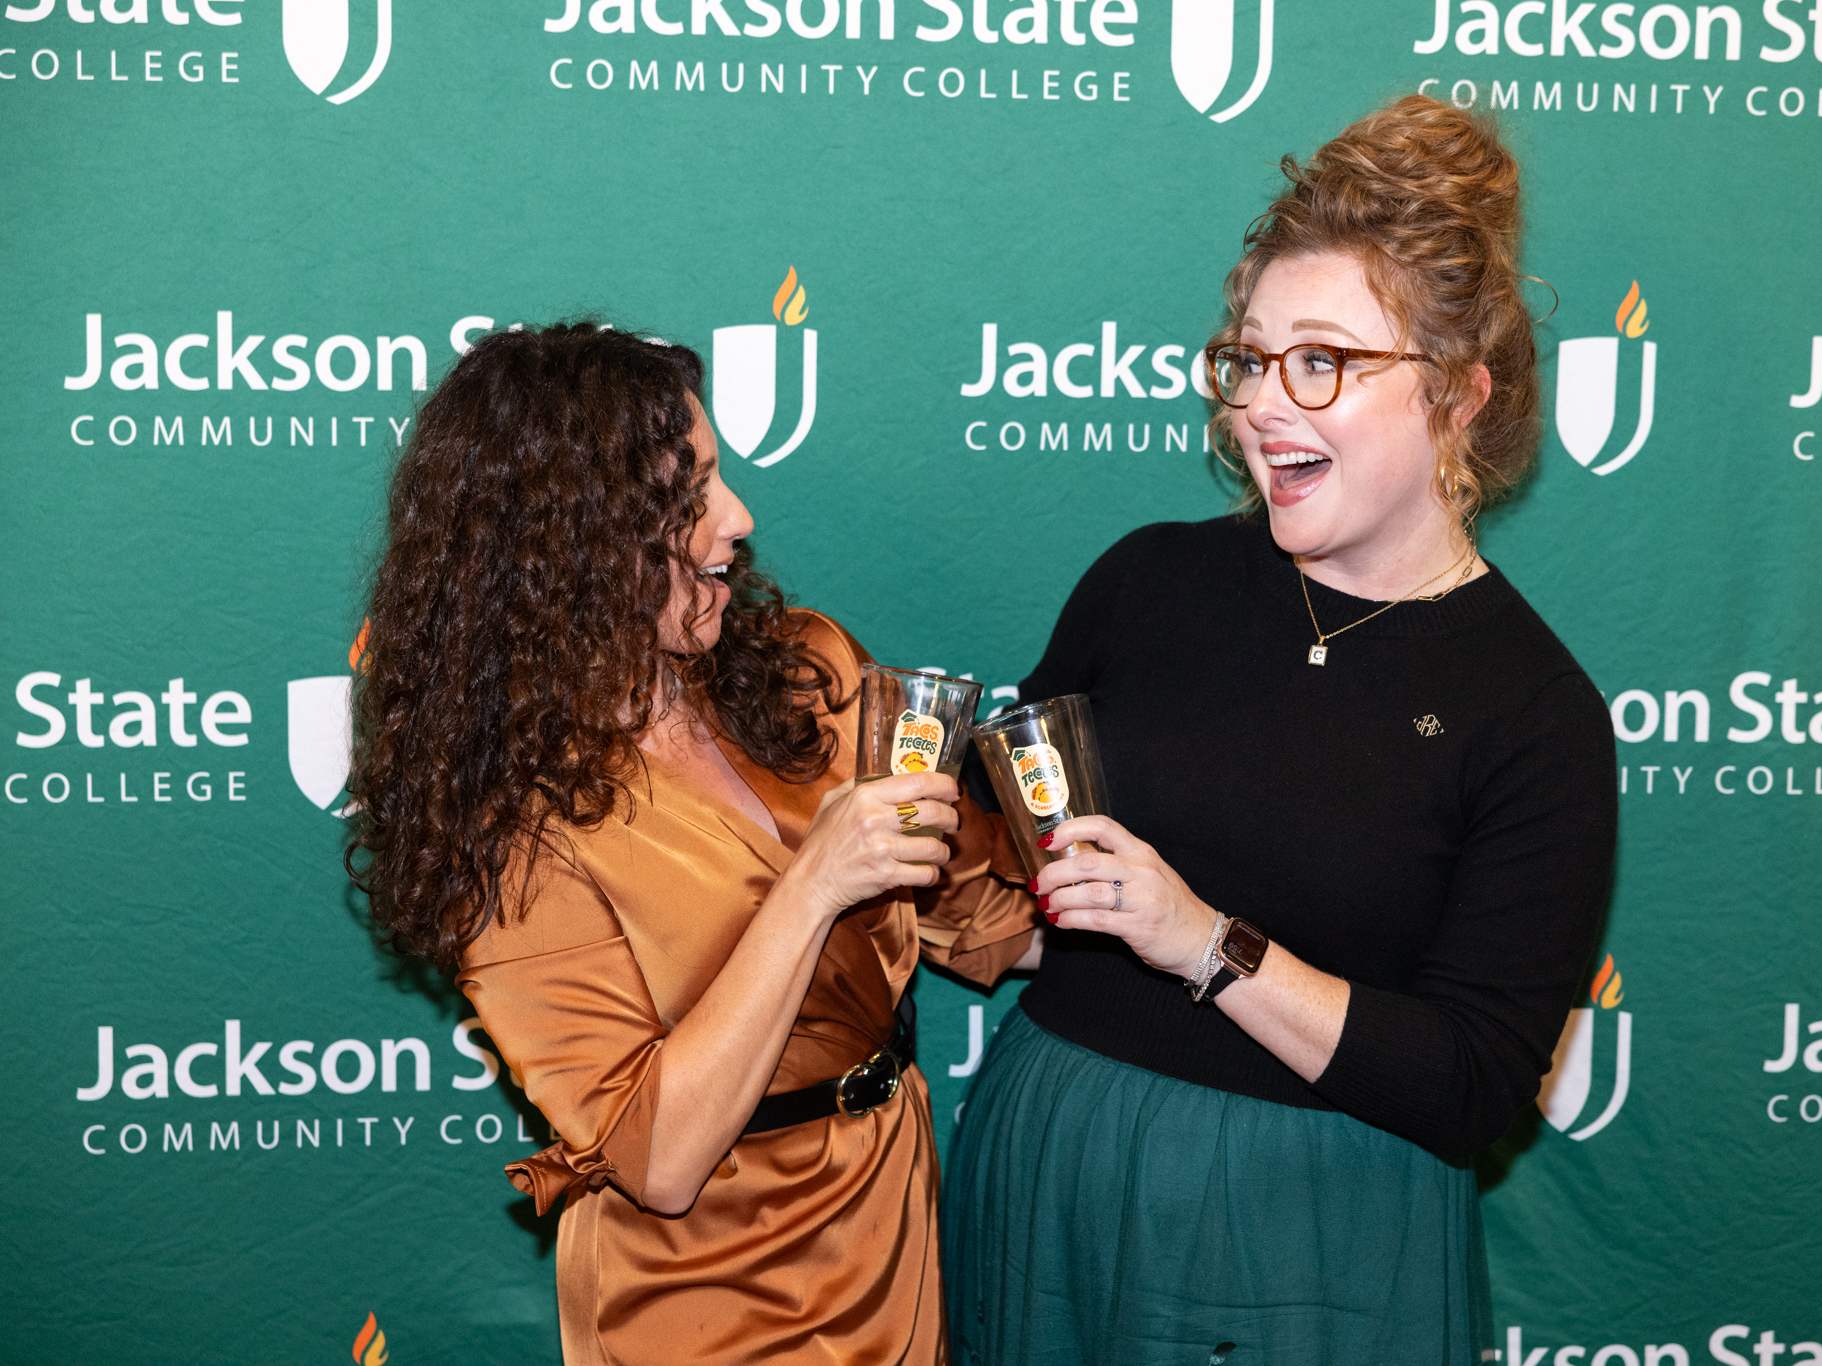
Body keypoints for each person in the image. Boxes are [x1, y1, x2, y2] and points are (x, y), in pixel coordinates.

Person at [941, 97, 1618, 1365]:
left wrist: (1203, 942)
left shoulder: (1533, 717)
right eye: (1248, 358)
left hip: (1311, 1238)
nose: (1261, 403)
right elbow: (1005, 843)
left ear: (1460, 397)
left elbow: (1472, 1082)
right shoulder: (1146, 581)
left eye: (1321, 361)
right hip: (1046, 1173)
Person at [347, 323, 1036, 1366]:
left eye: (721, 476)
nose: (738, 519)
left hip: (891, 1234)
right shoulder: (508, 824)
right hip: (701, 1288)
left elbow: (985, 920)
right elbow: (657, 1157)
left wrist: (1150, 906)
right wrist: (812, 887)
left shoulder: (807, 672)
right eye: (689, 496)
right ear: (568, 545)